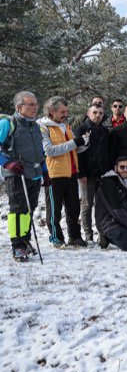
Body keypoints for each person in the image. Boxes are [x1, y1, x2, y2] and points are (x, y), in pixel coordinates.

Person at [39, 96, 90, 248]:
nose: (65, 114)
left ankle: (74, 237)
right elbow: (49, 150)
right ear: (51, 111)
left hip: (71, 172)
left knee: (74, 208)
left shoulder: (65, 126)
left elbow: (72, 147)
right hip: (53, 174)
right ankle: (56, 238)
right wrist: (75, 142)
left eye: (66, 111)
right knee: (54, 210)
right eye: (62, 111)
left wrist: (84, 143)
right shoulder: (43, 127)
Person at [0, 91, 46, 261]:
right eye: (30, 104)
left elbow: (40, 152)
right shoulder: (8, 123)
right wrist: (7, 163)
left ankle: (25, 240)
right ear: (19, 107)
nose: (35, 108)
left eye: (36, 104)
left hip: (34, 174)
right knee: (17, 210)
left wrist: (45, 172)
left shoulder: (35, 126)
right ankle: (17, 245)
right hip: (16, 174)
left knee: (29, 210)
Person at [75, 103, 111, 243]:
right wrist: (81, 173)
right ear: (88, 113)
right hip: (87, 174)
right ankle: (88, 234)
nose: (98, 115)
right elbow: (77, 154)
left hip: (102, 174)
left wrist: (108, 171)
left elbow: (107, 152)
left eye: (101, 113)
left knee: (101, 206)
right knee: (87, 205)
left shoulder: (105, 131)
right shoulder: (81, 129)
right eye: (95, 112)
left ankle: (102, 233)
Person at [95, 157, 127, 252]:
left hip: (118, 222)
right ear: (115, 168)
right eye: (122, 167)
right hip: (108, 223)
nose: (125, 170)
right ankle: (106, 236)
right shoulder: (108, 182)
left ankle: (108, 237)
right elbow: (116, 209)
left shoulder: (125, 182)